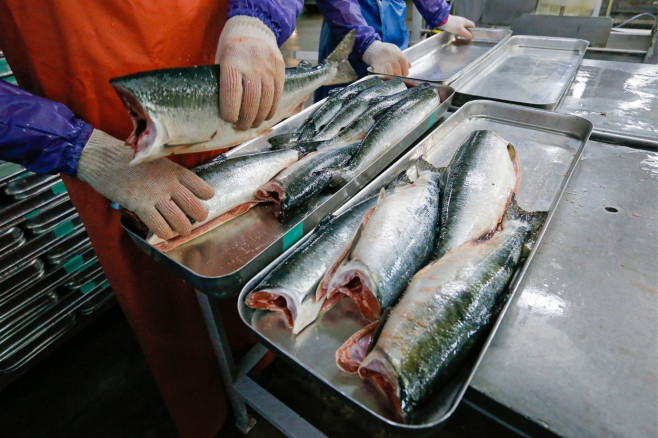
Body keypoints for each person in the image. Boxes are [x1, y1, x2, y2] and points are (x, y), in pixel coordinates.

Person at [0, 1, 303, 436]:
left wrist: (257, 15)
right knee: (172, 313)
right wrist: (80, 148)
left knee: (266, 279)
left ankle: (267, 367)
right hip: (117, 152)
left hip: (235, 107)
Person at [315, 0, 475, 99]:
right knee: (341, 107)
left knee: (394, 100)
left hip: (392, 17)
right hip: (349, 23)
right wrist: (366, 43)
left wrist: (440, 15)